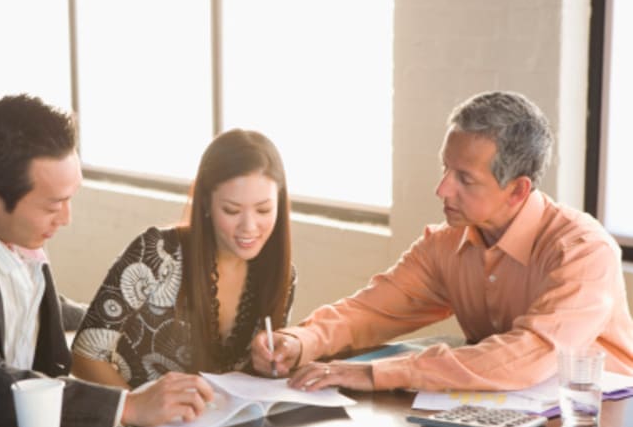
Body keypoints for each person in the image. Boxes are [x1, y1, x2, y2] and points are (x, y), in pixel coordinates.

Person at [252, 90, 633, 392]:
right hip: (509, 419)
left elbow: (529, 355)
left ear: (517, 190)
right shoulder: (447, 246)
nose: (442, 190)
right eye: (445, 169)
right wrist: (302, 340)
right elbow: (372, 310)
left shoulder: (583, 251)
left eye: (465, 179)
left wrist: (376, 373)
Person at [0, 94, 213, 427]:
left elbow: (47, 308)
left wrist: (147, 327)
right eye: (54, 205)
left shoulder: (5, 236)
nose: (66, 219)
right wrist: (129, 407)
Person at [71, 128, 295, 389]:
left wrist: (275, 366)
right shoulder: (157, 253)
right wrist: (138, 409)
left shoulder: (281, 276)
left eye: (264, 210)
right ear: (206, 203)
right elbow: (84, 354)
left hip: (221, 425)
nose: (249, 226)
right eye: (232, 210)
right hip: (136, 426)